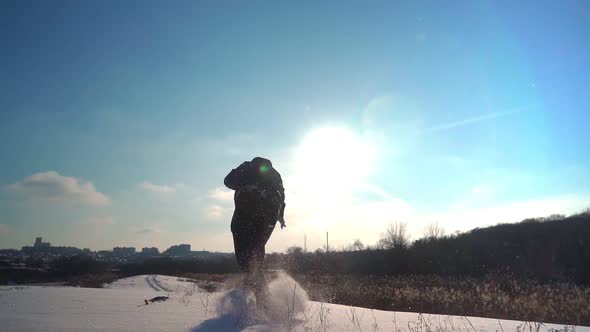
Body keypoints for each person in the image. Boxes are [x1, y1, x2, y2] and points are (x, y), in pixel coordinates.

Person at [224, 157, 286, 307]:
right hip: (263, 218)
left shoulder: (249, 168)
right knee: (253, 257)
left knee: (248, 259)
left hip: (250, 216)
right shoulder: (271, 174)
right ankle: (256, 296)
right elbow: (282, 198)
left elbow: (228, 181)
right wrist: (281, 217)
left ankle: (260, 299)